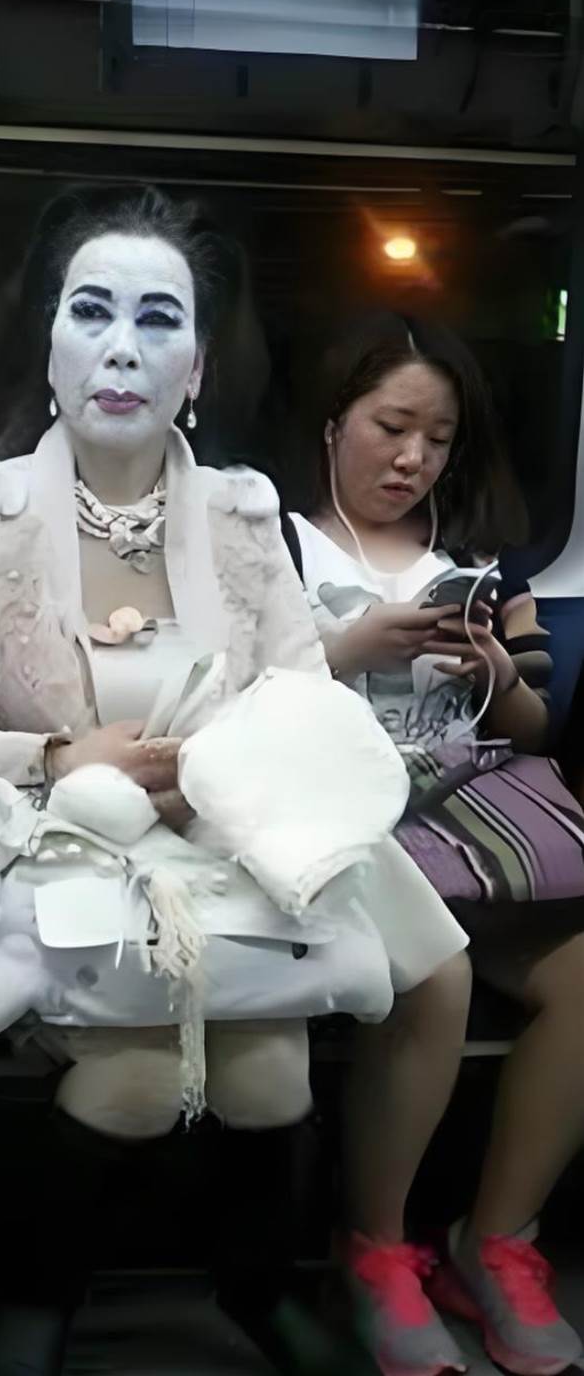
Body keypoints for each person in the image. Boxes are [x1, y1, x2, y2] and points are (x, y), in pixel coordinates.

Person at [0, 185, 469, 1376]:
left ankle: (257, 1291)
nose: (121, 347)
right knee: (137, 1072)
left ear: (196, 365)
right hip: (48, 840)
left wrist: (213, 774)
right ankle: (34, 1305)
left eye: (156, 319)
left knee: (267, 1070)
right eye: (91, 312)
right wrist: (61, 757)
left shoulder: (240, 512)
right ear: (49, 345)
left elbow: (300, 696)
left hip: (223, 838)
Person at [288, 312, 584, 1376]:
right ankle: (375, 1248)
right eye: (391, 426)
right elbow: (222, 704)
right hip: (333, 820)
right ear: (335, 423)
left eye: (438, 438)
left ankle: (494, 1239)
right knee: (437, 971)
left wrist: (496, 676)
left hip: (464, 824)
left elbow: (532, 731)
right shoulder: (271, 546)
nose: (412, 457)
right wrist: (344, 649)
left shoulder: (480, 567)